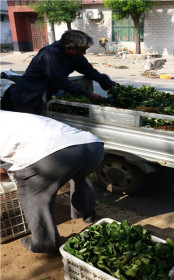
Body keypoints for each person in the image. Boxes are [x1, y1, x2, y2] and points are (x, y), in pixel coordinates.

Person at [0, 110, 104, 253]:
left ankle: (44, 244)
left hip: (53, 154)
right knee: (79, 175)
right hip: (92, 146)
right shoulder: (7, 116)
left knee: (34, 196)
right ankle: (87, 214)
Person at [10, 30, 116, 115]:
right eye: (82, 50)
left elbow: (88, 70)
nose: (83, 53)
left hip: (47, 94)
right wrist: (88, 94)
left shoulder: (75, 55)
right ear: (68, 48)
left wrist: (107, 83)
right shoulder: (50, 55)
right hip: (29, 98)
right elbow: (60, 81)